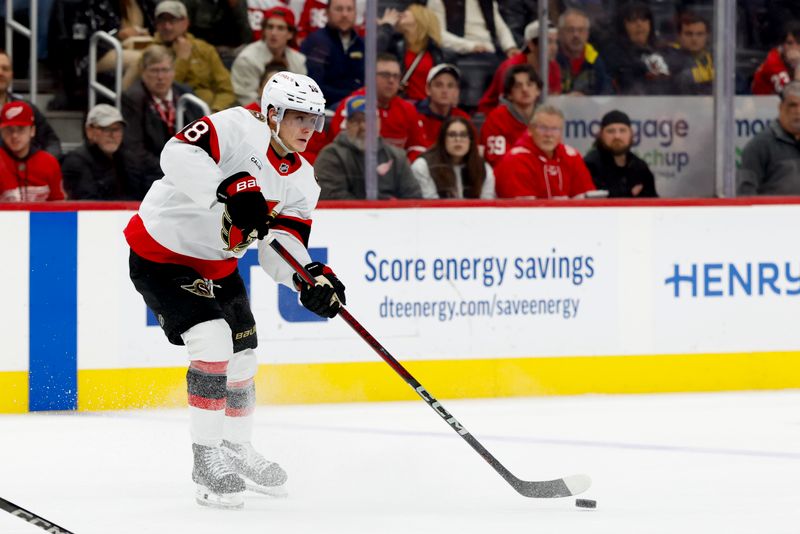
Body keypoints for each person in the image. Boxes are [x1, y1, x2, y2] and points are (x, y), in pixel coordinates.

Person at [124, 71, 346, 509]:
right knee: (213, 340)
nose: (308, 128)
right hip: (162, 254)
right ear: (272, 113)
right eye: (298, 117)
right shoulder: (236, 128)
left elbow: (279, 247)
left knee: (244, 354)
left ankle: (235, 448)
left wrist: (311, 278)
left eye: (314, 120)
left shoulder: (302, 180)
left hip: (219, 264)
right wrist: (224, 188)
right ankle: (205, 458)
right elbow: (176, 152)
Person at [122, 45, 205, 188]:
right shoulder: (132, 99)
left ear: (173, 72)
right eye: (154, 71)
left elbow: (201, 134)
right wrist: (170, 170)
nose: (160, 77)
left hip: (186, 170)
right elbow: (134, 150)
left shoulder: (186, 94)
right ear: (143, 72)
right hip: (152, 175)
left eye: (165, 70)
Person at [316, 95, 422, 199]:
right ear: (347, 125)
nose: (363, 126)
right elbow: (331, 197)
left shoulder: (397, 157)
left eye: (369, 120)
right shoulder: (331, 155)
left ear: (379, 123)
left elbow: (413, 197)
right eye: (356, 121)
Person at [329, 53, 429, 161]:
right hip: (356, 169)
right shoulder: (353, 104)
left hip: (397, 172)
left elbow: (418, 147)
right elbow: (342, 148)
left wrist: (404, 168)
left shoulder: (408, 109)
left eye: (396, 76)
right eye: (385, 75)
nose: (391, 80)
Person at [494, 103, 595, 199]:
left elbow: (586, 200)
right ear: (530, 130)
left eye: (555, 129)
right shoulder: (516, 160)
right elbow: (523, 210)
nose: (549, 134)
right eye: (543, 128)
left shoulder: (572, 156)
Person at [152, 0, 237, 112]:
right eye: (162, 21)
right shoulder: (150, 52)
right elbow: (165, 91)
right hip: (174, 113)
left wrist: (215, 111)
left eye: (172, 20)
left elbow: (226, 89)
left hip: (209, 112)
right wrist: (182, 59)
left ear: (185, 22)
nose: (167, 26)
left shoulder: (204, 49)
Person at [61, 104, 146, 200]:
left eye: (117, 129)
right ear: (89, 131)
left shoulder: (129, 159)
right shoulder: (75, 161)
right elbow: (87, 202)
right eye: (105, 129)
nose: (112, 135)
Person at [478, 19, 561, 114]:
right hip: (496, 118)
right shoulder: (511, 67)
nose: (554, 47)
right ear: (531, 45)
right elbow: (509, 106)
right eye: (549, 42)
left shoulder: (554, 67)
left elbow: (553, 101)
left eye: (555, 42)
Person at [232, 6, 307, 106]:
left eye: (280, 28)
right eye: (270, 27)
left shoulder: (298, 60)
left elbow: (302, 96)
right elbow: (246, 98)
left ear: (290, 34)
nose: (273, 33)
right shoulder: (247, 58)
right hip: (252, 113)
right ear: (264, 30)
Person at [738, 81, 800, 195]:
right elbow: (745, 194)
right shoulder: (759, 146)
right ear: (780, 108)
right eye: (792, 105)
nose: (798, 111)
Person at [300, 0, 365, 109]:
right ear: (327, 12)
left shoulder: (361, 44)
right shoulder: (317, 42)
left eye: (349, 9)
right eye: (339, 9)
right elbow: (314, 87)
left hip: (358, 105)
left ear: (355, 14)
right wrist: (350, 96)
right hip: (323, 108)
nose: (345, 14)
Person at [412, 116, 495, 199]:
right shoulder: (423, 166)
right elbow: (429, 204)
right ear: (443, 140)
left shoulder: (483, 168)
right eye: (452, 135)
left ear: (471, 140)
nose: (458, 139)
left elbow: (487, 204)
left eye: (463, 135)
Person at [377, 4, 448, 102]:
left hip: (427, 107)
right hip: (402, 104)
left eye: (409, 11)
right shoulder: (394, 45)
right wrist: (386, 26)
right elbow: (374, 52)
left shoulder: (437, 53)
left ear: (421, 18)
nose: (402, 13)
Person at [0, 51, 62, 158]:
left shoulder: (25, 107)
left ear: (11, 75)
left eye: (5, 69)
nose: (0, 73)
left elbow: (52, 142)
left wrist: (40, 164)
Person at [583, 110, 658, 198]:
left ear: (631, 133)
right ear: (601, 134)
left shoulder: (640, 168)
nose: (617, 136)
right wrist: (628, 194)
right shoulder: (590, 165)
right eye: (610, 131)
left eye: (622, 130)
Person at [0, 102, 64, 202]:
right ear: (1, 132)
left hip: (41, 218)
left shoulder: (49, 162)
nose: (14, 135)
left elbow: (58, 203)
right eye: (9, 129)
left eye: (21, 129)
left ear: (32, 131)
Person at [604, 2, 673, 95]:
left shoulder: (665, 50)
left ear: (650, 23)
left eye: (644, 19)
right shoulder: (613, 54)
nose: (639, 24)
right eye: (632, 20)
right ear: (623, 26)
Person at [480, 64, 541, 167]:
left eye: (529, 84)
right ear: (509, 94)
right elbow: (496, 161)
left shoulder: (546, 118)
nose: (525, 89)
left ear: (538, 91)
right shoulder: (496, 119)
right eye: (518, 86)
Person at [556, 7, 612, 95]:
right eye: (570, 30)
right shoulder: (552, 58)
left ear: (587, 34)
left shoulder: (595, 60)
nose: (576, 35)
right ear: (560, 33)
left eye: (581, 30)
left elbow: (605, 93)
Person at [416, 63, 472, 148]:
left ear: (456, 91)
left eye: (450, 86)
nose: (444, 91)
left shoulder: (463, 119)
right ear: (428, 89)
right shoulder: (415, 117)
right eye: (439, 85)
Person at [181, 0, 253, 66]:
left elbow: (246, 36)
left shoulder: (237, 3)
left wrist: (236, 7)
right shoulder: (192, 2)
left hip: (230, 54)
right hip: (199, 52)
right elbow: (184, 31)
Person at [664, 11, 713, 95]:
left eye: (700, 34)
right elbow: (680, 81)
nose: (694, 39)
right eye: (688, 34)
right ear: (679, 36)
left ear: (707, 36)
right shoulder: (669, 58)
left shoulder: (716, 58)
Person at [752, 21, 800, 96]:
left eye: (799, 43)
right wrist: (798, 66)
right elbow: (793, 96)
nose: (794, 48)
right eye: (789, 43)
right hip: (761, 105)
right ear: (782, 45)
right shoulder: (773, 62)